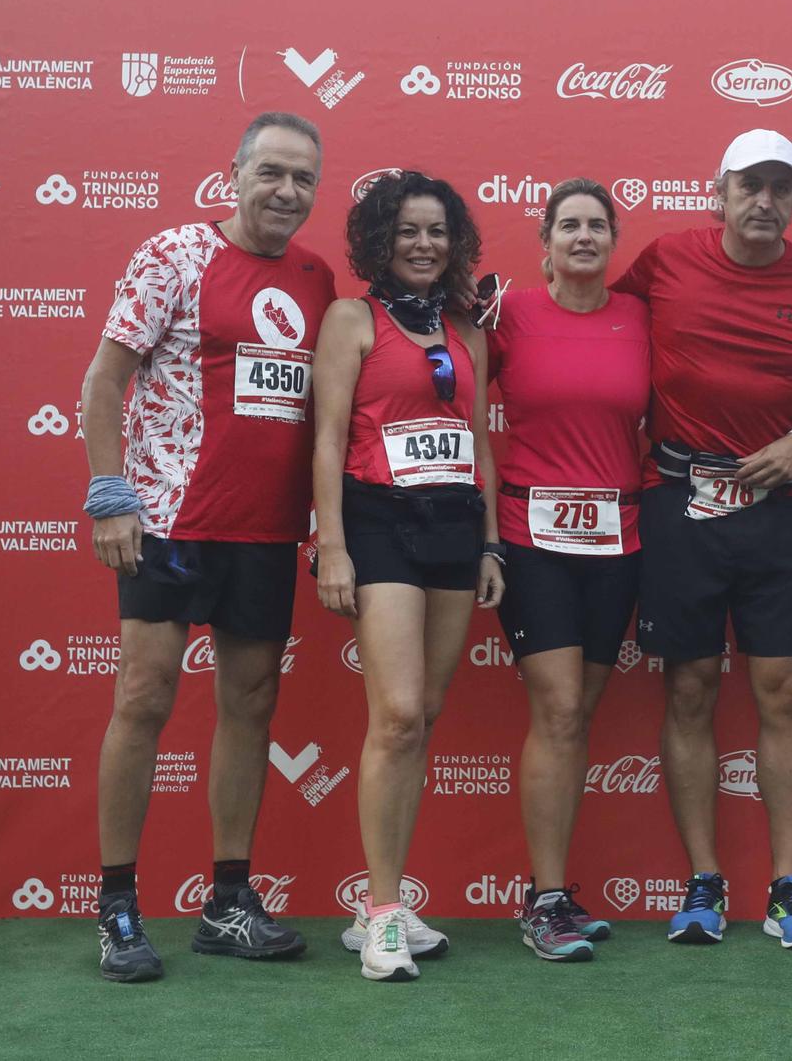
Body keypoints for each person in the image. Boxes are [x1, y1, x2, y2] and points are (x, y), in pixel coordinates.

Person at [81, 111, 335, 982]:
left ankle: (228, 901)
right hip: (169, 521)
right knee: (145, 699)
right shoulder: (174, 255)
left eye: (303, 177)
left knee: (252, 705)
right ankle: (117, 904)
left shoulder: (315, 277)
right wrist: (110, 492)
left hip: (264, 530)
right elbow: (104, 376)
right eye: (271, 172)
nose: (286, 191)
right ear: (234, 172)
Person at [614, 129, 792, 950]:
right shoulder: (664, 260)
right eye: (751, 184)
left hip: (777, 507)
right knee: (689, 688)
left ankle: (788, 885)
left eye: (782, 188)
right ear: (718, 190)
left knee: (784, 690)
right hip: (679, 500)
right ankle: (704, 882)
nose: (765, 201)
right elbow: (594, 321)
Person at [311, 170, 503, 983]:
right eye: (407, 231)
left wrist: (492, 543)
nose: (424, 245)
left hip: (455, 526)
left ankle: (377, 910)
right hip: (379, 523)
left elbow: (479, 439)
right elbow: (324, 438)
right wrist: (333, 545)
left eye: (438, 232)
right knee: (393, 714)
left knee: (422, 712)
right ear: (379, 241)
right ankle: (384, 907)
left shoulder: (468, 328)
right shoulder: (351, 319)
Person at [487, 179, 651, 962]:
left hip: (618, 541)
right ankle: (544, 898)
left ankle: (556, 894)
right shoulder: (508, 314)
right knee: (555, 709)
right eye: (569, 225)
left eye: (596, 225)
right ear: (544, 241)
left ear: (613, 240)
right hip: (530, 534)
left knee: (576, 713)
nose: (583, 237)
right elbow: (437, 382)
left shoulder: (639, 318)